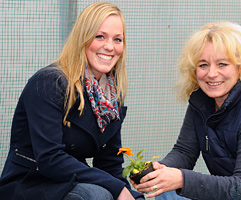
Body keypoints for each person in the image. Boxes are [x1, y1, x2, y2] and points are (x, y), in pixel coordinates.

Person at [131, 21, 241, 200]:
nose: (211, 74)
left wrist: (181, 179)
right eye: (203, 65)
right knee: (163, 195)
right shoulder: (202, 103)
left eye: (222, 64)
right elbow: (184, 152)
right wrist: (157, 174)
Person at [0, 2, 144, 200]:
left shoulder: (110, 95)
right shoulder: (49, 82)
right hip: (31, 182)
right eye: (99, 36)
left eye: (117, 39)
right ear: (82, 38)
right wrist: (116, 188)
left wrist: (129, 193)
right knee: (98, 195)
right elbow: (50, 159)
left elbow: (109, 162)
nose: (110, 47)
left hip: (71, 182)